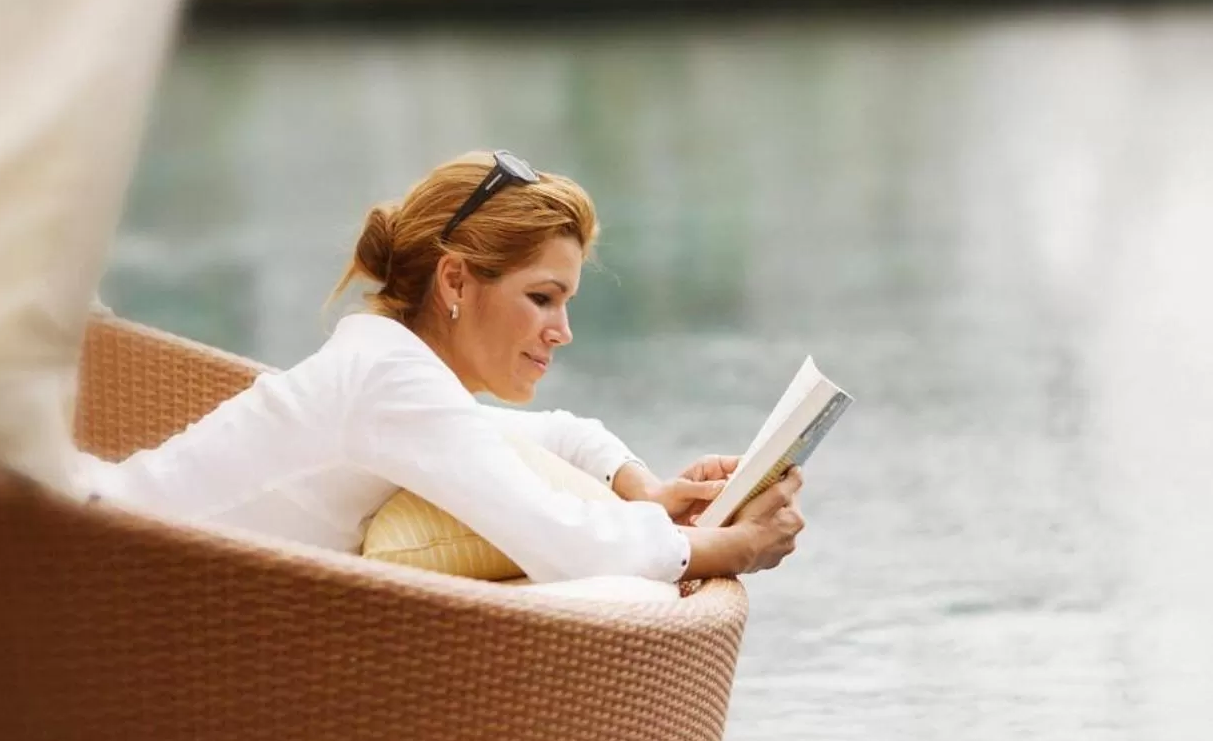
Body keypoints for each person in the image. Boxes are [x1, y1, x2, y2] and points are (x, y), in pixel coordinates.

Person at [80, 150, 806, 585]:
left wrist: (643, 487)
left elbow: (554, 434)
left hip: (105, 547)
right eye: (542, 298)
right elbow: (562, 543)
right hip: (88, 563)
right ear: (455, 281)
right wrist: (734, 548)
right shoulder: (391, 380)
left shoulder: (389, 363)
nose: (563, 331)